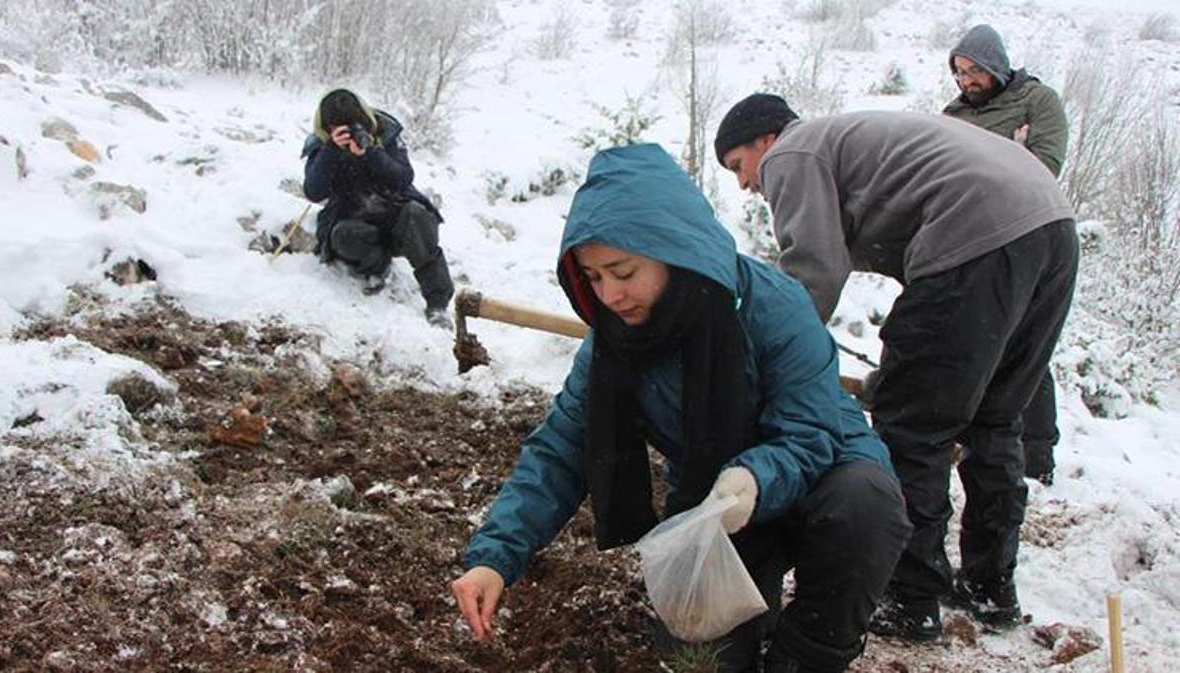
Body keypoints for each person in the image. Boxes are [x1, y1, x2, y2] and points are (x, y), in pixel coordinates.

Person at [450, 143, 910, 673]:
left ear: (675, 250)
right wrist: (494, 558)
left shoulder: (773, 308)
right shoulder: (613, 343)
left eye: (623, 272)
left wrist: (755, 477)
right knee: (702, 657)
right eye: (594, 277)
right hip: (715, 500)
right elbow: (560, 449)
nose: (611, 295)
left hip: (821, 473)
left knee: (864, 504)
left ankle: (806, 655)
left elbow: (811, 432)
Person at [714, 94, 1078, 642]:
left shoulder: (794, 151)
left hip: (977, 235)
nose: (745, 184)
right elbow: (946, 331)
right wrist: (903, 372)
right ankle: (990, 588)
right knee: (995, 420)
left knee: (911, 429)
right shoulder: (857, 143)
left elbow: (814, 271)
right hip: (1050, 230)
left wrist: (771, 358)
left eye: (739, 166)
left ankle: (910, 599)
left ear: (765, 140)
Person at [944, 24, 1069, 485]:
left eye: (975, 70)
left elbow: (1044, 166)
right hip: (966, 243)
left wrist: (1006, 164)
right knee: (973, 342)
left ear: (996, 65)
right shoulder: (952, 115)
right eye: (959, 72)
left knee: (1025, 342)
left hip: (1025, 232)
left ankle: (1037, 458)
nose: (967, 81)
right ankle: (970, 442)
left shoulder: (1037, 100)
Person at [301, 88, 454, 328]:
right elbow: (313, 191)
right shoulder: (322, 145)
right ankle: (377, 268)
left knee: (418, 216)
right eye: (340, 130)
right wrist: (331, 151)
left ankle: (437, 304)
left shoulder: (386, 131)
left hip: (394, 211)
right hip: (354, 219)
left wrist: (371, 153)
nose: (350, 134)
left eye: (354, 126)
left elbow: (403, 177)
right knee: (343, 236)